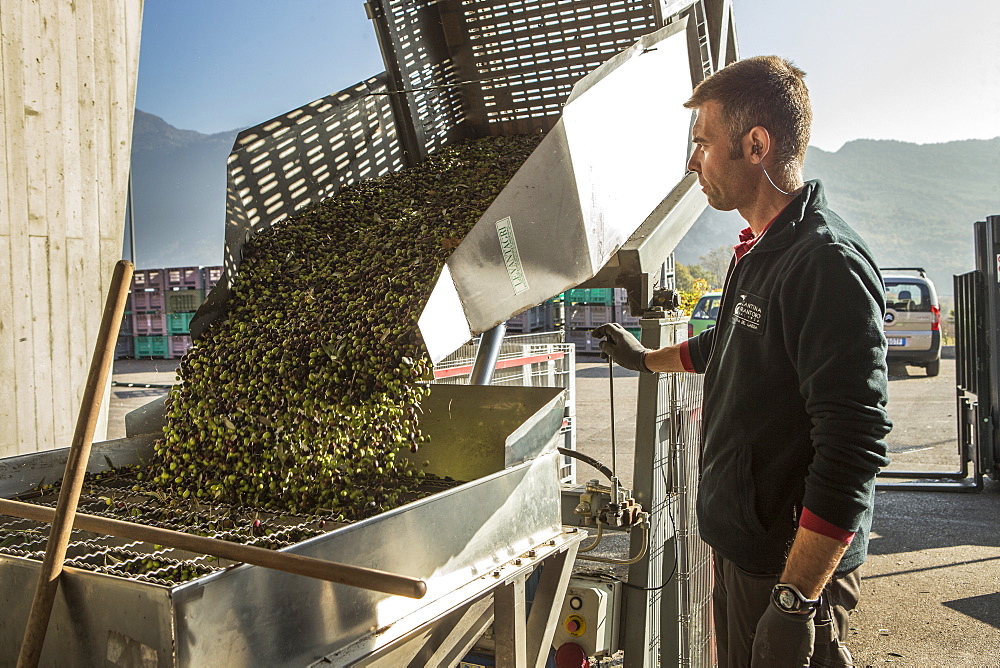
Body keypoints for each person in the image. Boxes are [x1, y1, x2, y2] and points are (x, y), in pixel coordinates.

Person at [594, 56, 891, 667]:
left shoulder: (823, 263)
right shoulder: (757, 250)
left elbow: (853, 444)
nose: (691, 160)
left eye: (703, 142)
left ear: (756, 145)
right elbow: (723, 343)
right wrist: (647, 358)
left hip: (790, 576)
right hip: (746, 552)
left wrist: (794, 602)